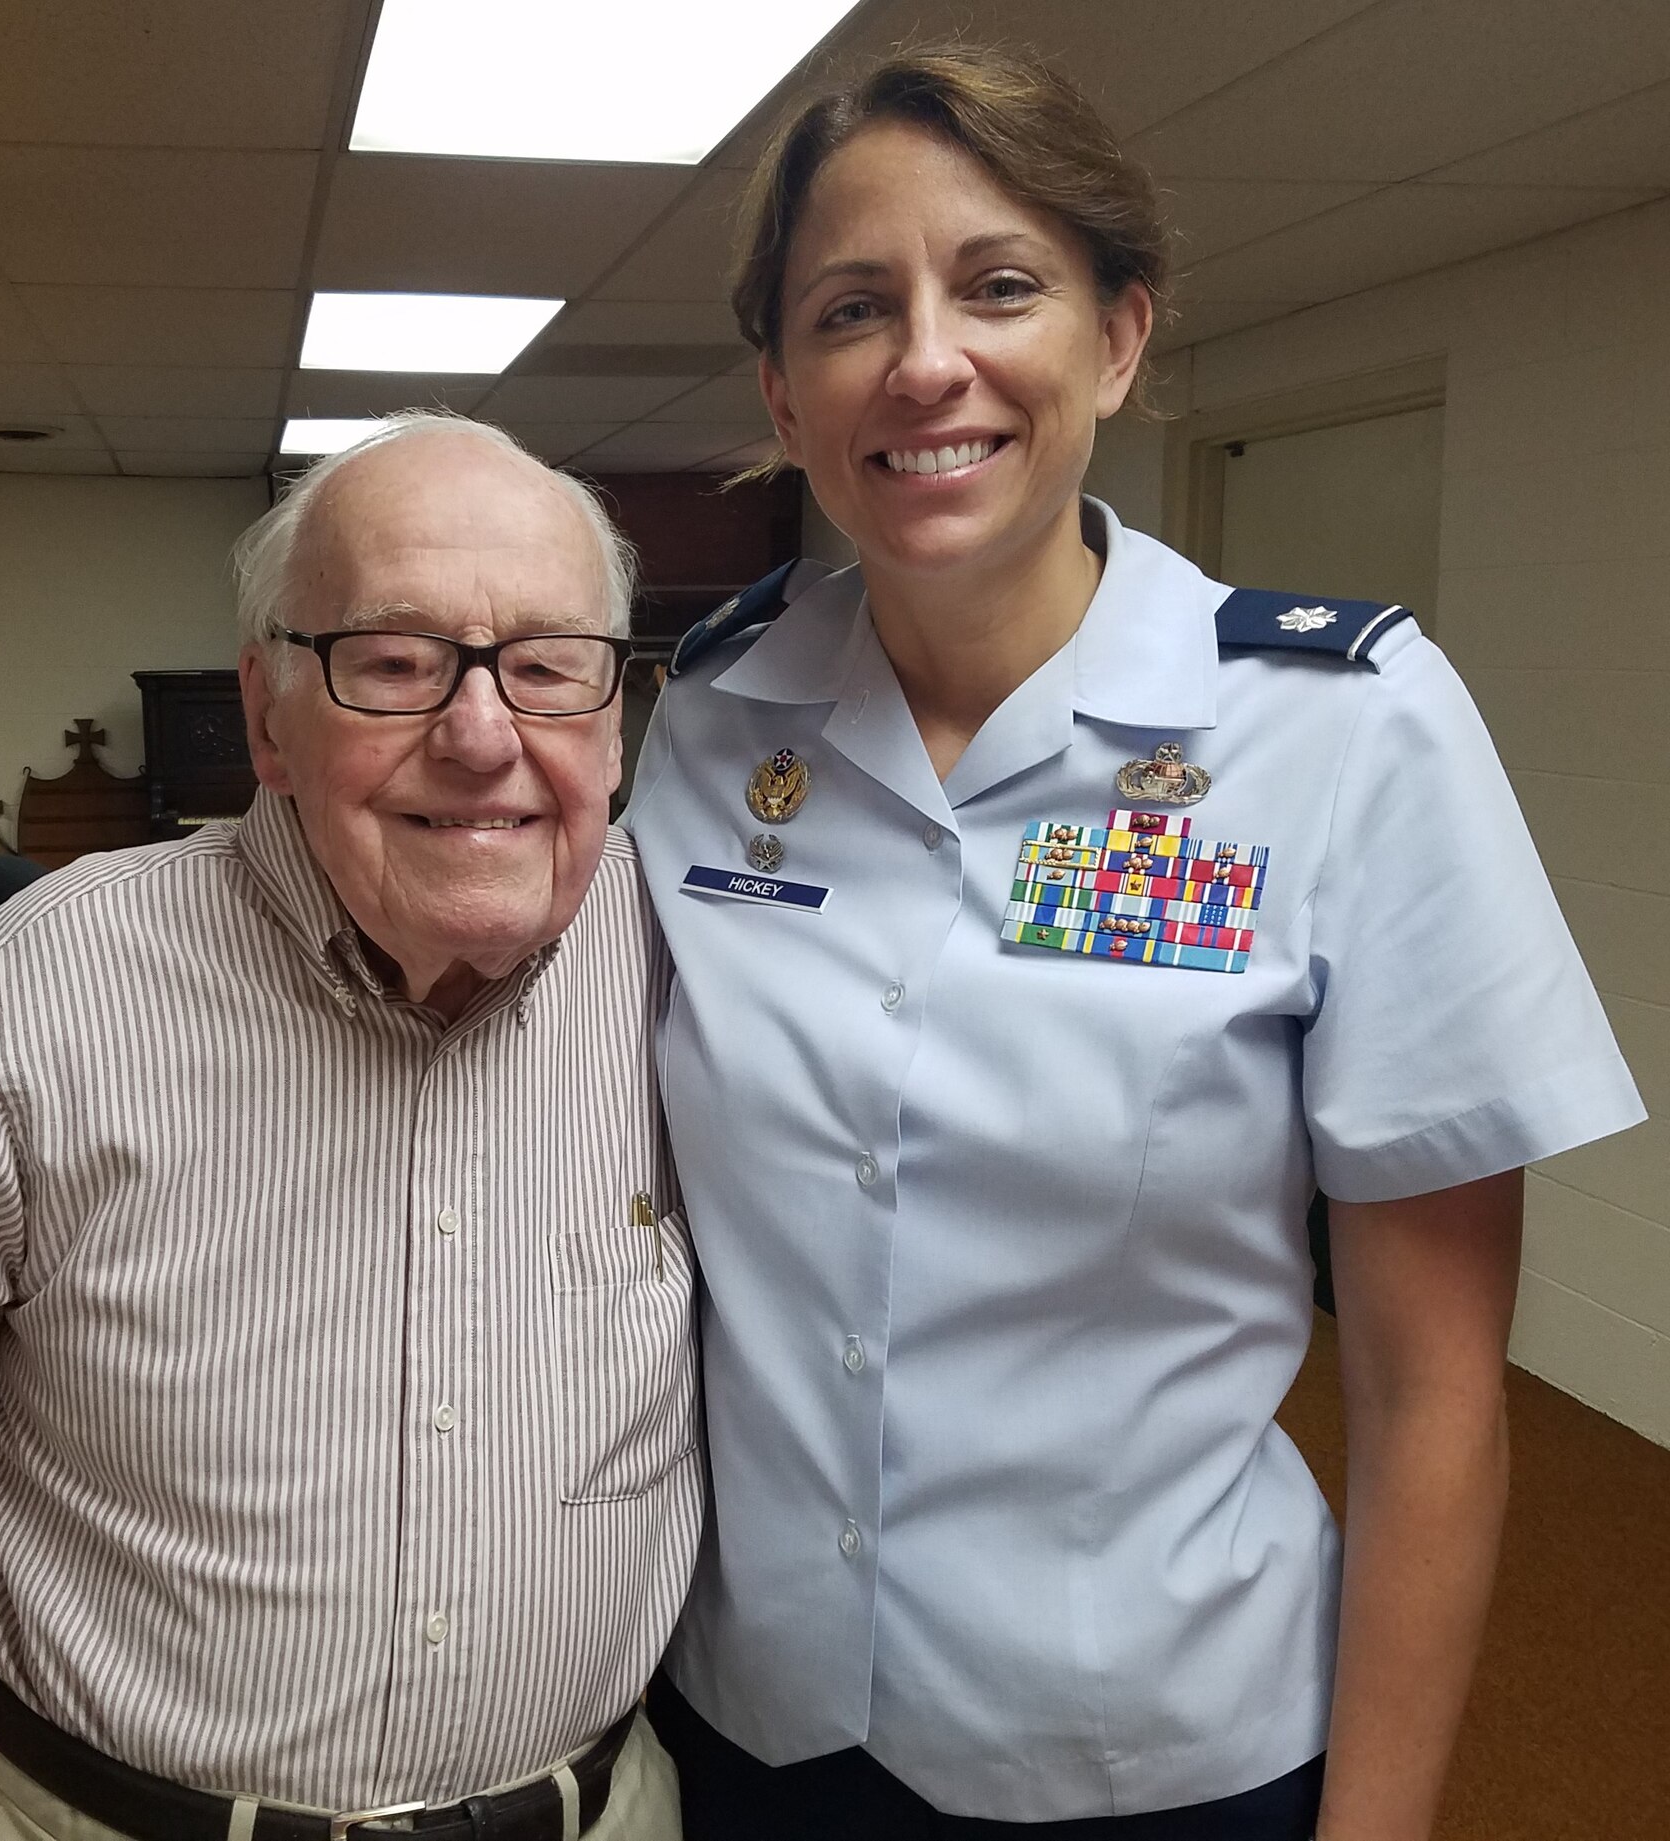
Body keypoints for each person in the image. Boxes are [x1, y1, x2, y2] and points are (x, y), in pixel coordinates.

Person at [621, 46, 1646, 1841]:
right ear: (787, 397)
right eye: (855, 308)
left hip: (1153, 1754)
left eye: (999, 285)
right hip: (753, 1725)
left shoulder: (1343, 726)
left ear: (1116, 340)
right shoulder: (712, 721)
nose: (926, 358)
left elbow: (1433, 1396)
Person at [0, 413, 699, 1841]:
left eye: (548, 668)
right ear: (267, 714)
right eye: (393, 662)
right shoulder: (33, 998)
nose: (482, 734)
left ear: (613, 714)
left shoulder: (690, 971)